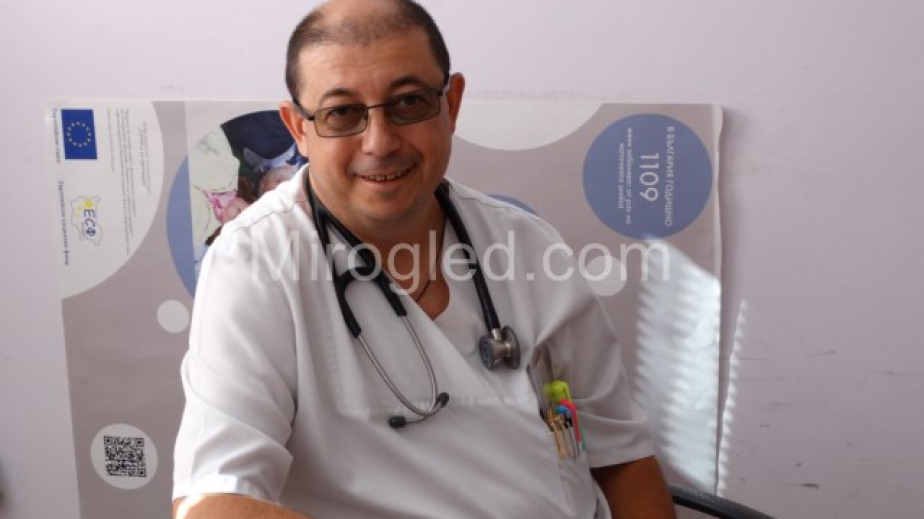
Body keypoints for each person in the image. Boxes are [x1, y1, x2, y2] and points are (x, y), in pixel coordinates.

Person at [172, 0, 677, 517]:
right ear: (298, 128)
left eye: (409, 102)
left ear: (451, 104)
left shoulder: (527, 245)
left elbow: (621, 457)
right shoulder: (256, 262)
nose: (380, 142)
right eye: (342, 112)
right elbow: (211, 503)